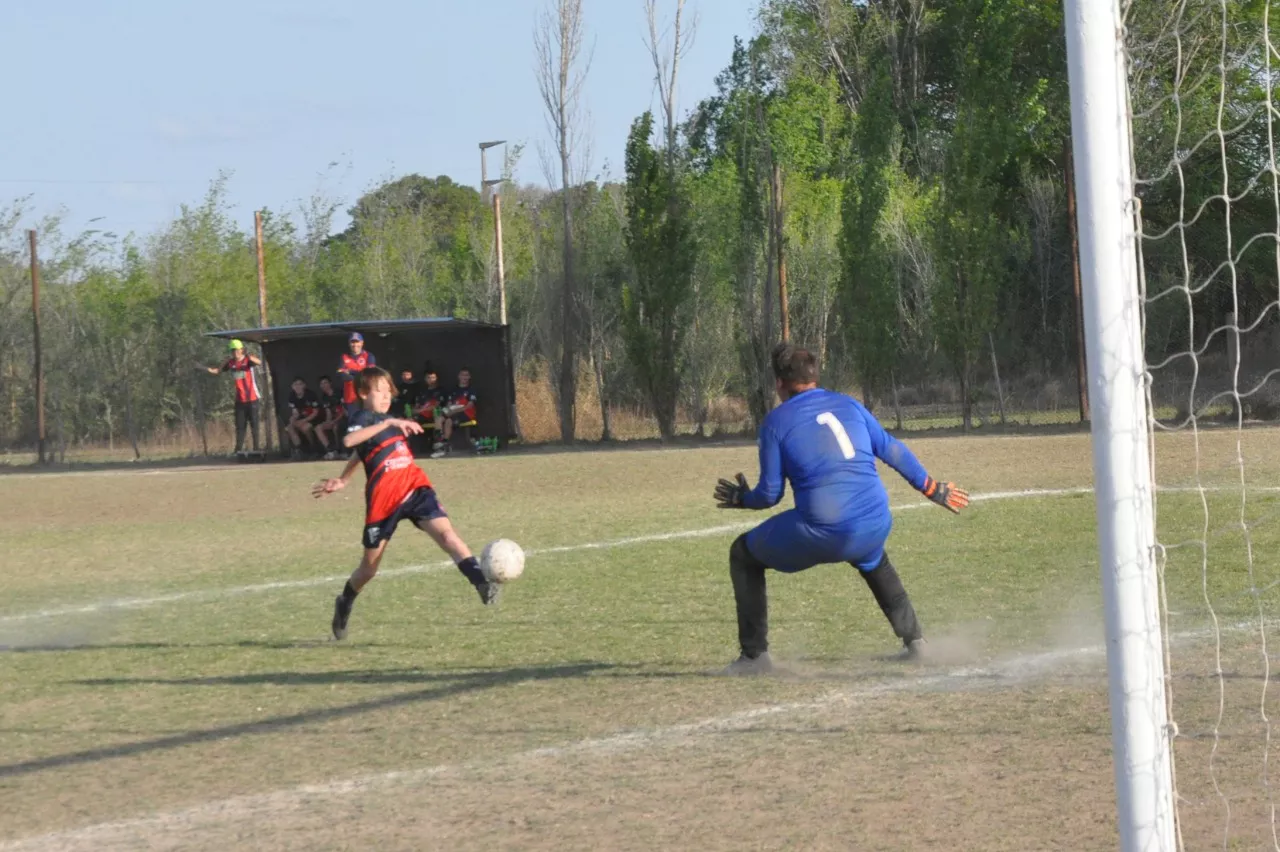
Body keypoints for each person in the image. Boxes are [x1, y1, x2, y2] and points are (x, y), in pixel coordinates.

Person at [712, 343, 970, 675]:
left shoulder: (776, 423)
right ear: (816, 378)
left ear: (778, 384)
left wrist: (741, 499)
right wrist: (934, 489)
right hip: (875, 521)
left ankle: (754, 657)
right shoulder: (850, 404)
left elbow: (770, 494)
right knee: (873, 558)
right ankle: (917, 644)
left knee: (742, 554)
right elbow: (892, 449)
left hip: (824, 530)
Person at [313, 366, 498, 640]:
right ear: (363, 393)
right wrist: (345, 480)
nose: (386, 396)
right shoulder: (362, 417)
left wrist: (345, 477)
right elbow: (352, 441)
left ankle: (481, 583)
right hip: (384, 500)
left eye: (389, 391)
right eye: (380, 391)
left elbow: (363, 453)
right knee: (369, 569)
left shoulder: (387, 420)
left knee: (447, 534)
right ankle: (345, 601)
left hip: (414, 486)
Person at [203, 339, 262, 455]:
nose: (234, 352)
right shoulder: (230, 363)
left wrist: (249, 356)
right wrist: (202, 367)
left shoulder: (247, 360)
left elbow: (259, 362)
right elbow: (217, 371)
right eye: (232, 350)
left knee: (254, 425)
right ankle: (238, 450)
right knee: (240, 426)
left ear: (241, 350)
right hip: (240, 400)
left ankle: (256, 449)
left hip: (252, 399)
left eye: (236, 350)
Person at [432, 368, 479, 458]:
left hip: (466, 413)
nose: (464, 377)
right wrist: (447, 409)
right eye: (462, 375)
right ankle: (439, 441)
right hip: (452, 411)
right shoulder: (453, 390)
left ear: (469, 377)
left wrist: (453, 411)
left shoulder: (471, 390)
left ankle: (444, 445)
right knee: (438, 418)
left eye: (466, 375)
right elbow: (449, 404)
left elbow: (469, 406)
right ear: (459, 376)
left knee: (449, 421)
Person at [285, 377, 324, 458]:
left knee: (305, 428)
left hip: (314, 418)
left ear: (304, 385)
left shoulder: (311, 394)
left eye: (300, 384)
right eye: (295, 384)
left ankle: (314, 448)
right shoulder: (292, 396)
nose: (298, 387)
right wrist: (293, 419)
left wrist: (303, 421)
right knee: (289, 427)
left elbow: (315, 412)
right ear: (292, 386)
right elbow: (295, 413)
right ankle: (299, 450)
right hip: (301, 419)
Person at [337, 333, 375, 411]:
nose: (355, 344)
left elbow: (369, 374)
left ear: (362, 343)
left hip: (365, 396)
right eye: (352, 342)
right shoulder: (344, 357)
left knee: (368, 422)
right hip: (350, 398)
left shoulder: (369, 356)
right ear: (349, 344)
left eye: (357, 342)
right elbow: (341, 374)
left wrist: (350, 371)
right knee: (354, 422)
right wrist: (360, 375)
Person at [315, 375, 346, 461]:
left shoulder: (339, 393)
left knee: (336, 427)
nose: (324, 385)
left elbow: (344, 410)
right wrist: (328, 421)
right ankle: (331, 451)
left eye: (325, 382)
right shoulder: (324, 397)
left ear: (330, 383)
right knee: (318, 427)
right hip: (334, 420)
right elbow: (328, 411)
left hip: (343, 418)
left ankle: (341, 451)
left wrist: (334, 421)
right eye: (321, 384)